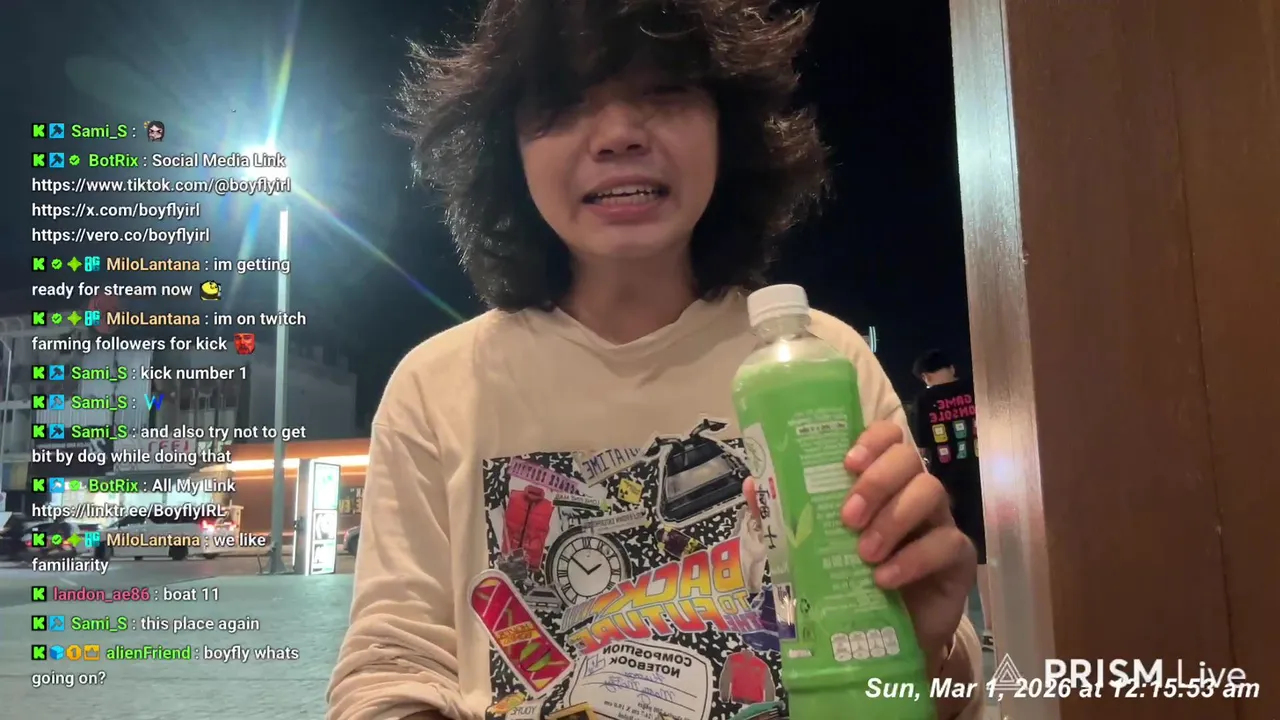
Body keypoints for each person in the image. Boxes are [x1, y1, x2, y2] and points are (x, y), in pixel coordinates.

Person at [328, 2, 982, 719]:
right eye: (564, 102)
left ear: (728, 127)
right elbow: (391, 674)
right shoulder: (437, 387)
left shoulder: (819, 363)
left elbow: (932, 676)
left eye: (666, 92)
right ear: (506, 148)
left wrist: (923, 642)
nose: (618, 135)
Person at [911, 349, 991, 649]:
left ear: (926, 376)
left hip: (947, 486)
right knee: (985, 555)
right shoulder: (974, 388)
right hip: (985, 477)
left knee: (953, 555)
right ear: (952, 368)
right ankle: (991, 628)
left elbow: (922, 449)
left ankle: (962, 630)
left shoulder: (925, 400)